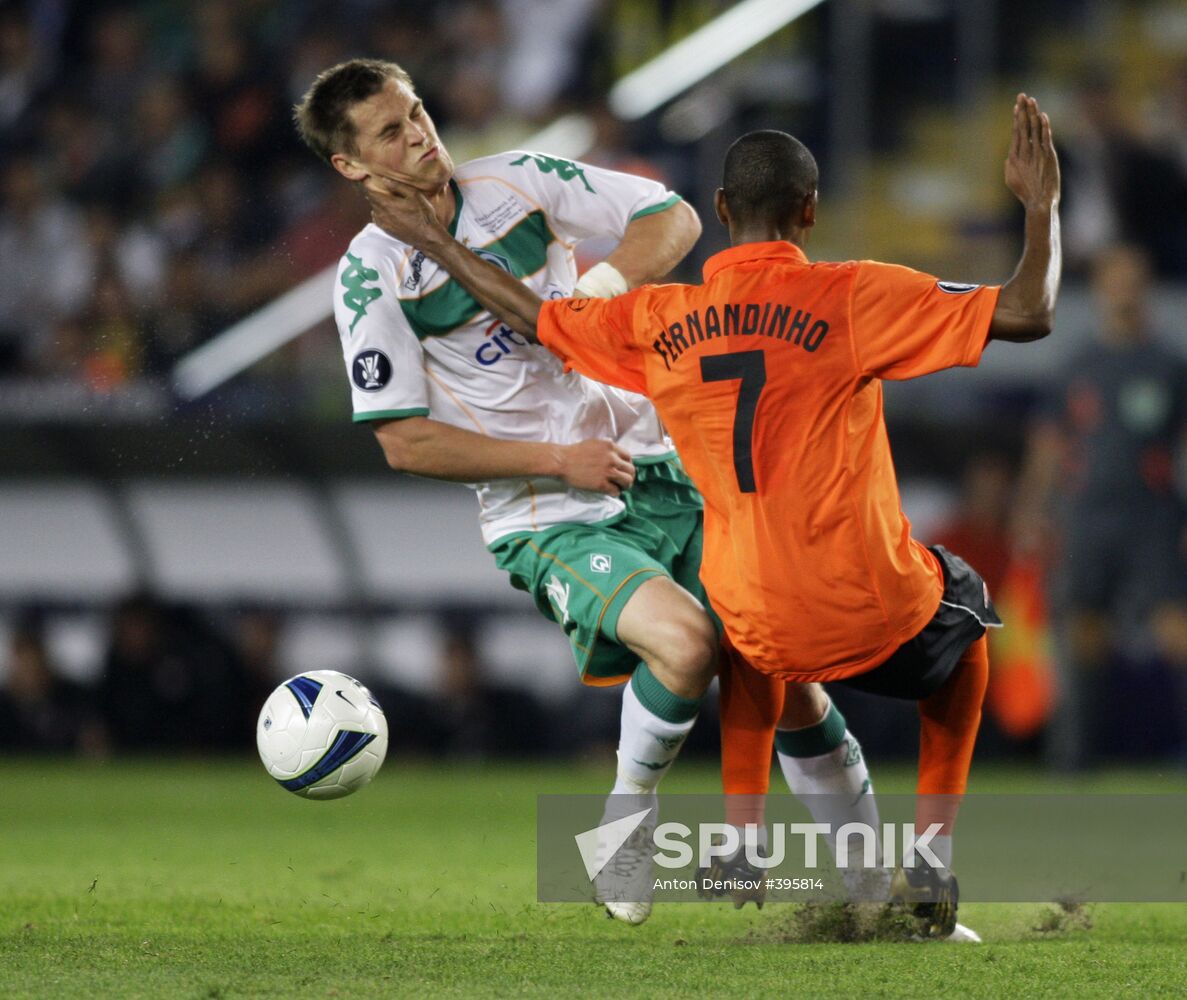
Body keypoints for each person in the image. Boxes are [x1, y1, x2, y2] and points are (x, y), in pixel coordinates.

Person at [363, 92, 1062, 939]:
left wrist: (435, 245)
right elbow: (1027, 312)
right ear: (809, 211)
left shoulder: (661, 320)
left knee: (741, 624)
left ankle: (742, 841)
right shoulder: (854, 296)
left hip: (758, 615)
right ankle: (926, 863)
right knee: (968, 625)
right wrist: (1039, 208)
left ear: (723, 211)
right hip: (862, 608)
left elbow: (537, 318)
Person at [293, 58, 882, 924]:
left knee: (787, 671)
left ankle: (884, 892)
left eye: (417, 113)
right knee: (684, 646)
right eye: (389, 131)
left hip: (665, 469)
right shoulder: (371, 276)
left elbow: (671, 217)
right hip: (548, 509)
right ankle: (622, 823)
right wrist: (554, 458)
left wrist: (595, 296)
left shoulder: (518, 183)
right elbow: (404, 442)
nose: (419, 135)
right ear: (349, 165)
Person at [1016, 244, 1187, 770]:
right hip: (1086, 515)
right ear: (1102, 288)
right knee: (1084, 632)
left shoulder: (1168, 365)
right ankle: (1075, 758)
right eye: (1117, 279)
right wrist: (1031, 510)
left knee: (1176, 628)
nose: (1126, 289)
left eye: (1135, 279)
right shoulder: (1077, 366)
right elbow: (1048, 445)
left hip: (1152, 515)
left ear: (1146, 286)